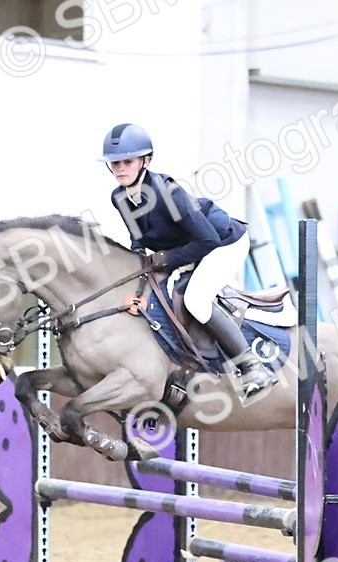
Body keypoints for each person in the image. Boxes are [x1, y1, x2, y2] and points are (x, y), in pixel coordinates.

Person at [98, 123, 276, 398]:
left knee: (196, 299)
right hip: (188, 246)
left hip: (224, 243)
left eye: (127, 162)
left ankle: (251, 365)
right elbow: (138, 238)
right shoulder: (119, 196)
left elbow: (208, 240)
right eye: (114, 163)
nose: (120, 168)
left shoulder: (167, 193)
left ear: (146, 161)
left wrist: (165, 259)